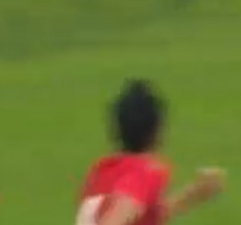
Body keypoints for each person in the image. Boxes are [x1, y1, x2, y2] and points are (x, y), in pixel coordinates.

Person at [75, 79, 225, 225]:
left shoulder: (100, 172)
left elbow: (146, 214)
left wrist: (196, 193)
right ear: (157, 130)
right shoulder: (144, 172)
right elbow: (123, 210)